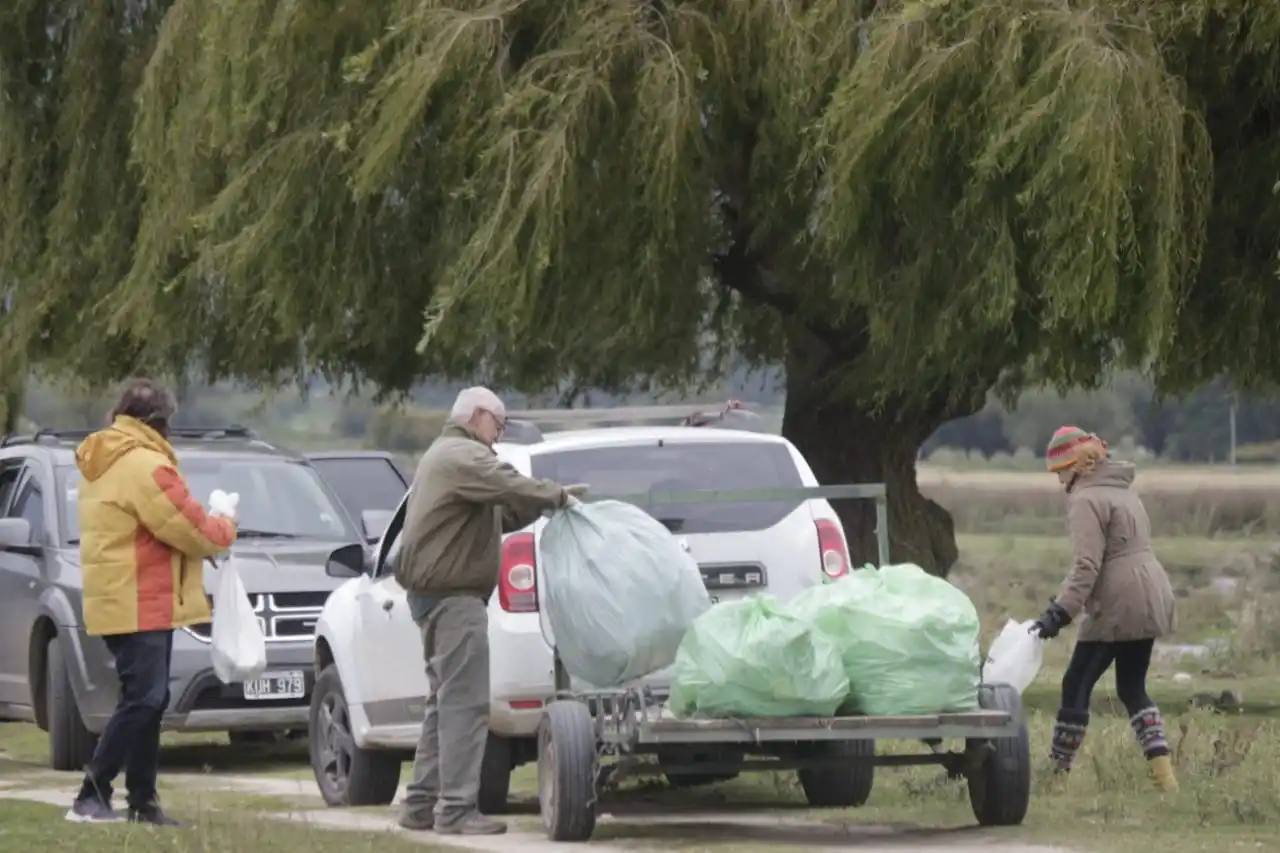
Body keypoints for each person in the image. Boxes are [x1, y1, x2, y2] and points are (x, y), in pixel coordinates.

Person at [396, 387, 588, 835]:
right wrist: (557, 496)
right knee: (464, 706)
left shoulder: (442, 457)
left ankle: (421, 804)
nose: (497, 439)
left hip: (436, 598)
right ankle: (457, 810)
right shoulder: (462, 454)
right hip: (455, 598)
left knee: (442, 706)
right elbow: (505, 479)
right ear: (478, 416)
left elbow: (496, 516)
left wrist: (536, 506)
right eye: (498, 426)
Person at [67, 378, 239, 824]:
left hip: (118, 596)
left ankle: (143, 802)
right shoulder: (144, 464)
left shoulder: (107, 456)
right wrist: (225, 524)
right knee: (144, 699)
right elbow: (189, 526)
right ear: (158, 421)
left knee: (149, 700)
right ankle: (92, 793)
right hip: (140, 597)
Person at [1032, 426, 1178, 793]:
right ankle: (1166, 781)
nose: (1059, 479)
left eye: (1060, 471)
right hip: (1152, 591)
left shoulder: (1085, 499)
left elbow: (1087, 566)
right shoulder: (1124, 491)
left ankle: (1055, 780)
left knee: (1075, 683)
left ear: (1077, 466)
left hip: (1118, 601)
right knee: (1132, 688)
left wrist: (1059, 613)